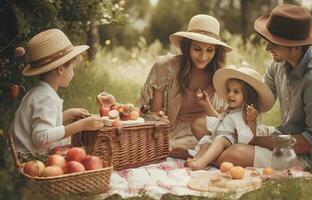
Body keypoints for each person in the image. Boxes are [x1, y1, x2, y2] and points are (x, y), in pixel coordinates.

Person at [211, 4, 312, 170]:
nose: (267, 48)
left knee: (234, 153)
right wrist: (231, 118)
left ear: (296, 45)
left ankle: (204, 157)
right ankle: (208, 154)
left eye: (274, 42)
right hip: (284, 134)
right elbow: (255, 101)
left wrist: (256, 140)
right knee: (212, 128)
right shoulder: (279, 65)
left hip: (309, 155)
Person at [97, 14, 233, 151]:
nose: (203, 57)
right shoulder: (165, 67)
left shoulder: (222, 76)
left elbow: (226, 120)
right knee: (134, 145)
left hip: (205, 132)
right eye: (197, 49)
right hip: (170, 131)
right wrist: (115, 106)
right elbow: (153, 113)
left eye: (210, 50)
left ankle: (194, 151)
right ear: (187, 47)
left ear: (217, 51)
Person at [11, 29, 104, 154]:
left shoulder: (40, 92)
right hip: (29, 159)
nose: (73, 74)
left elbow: (44, 122)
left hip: (26, 155)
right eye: (72, 69)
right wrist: (81, 125)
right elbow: (41, 137)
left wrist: (65, 115)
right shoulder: (46, 98)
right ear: (60, 69)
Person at [187, 67, 274, 170]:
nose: (230, 95)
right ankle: (196, 159)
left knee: (220, 140)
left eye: (236, 92)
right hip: (218, 137)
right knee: (206, 142)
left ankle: (202, 162)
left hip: (229, 141)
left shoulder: (244, 113)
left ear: (247, 95)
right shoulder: (230, 110)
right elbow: (220, 120)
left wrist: (252, 121)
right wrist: (207, 105)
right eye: (228, 90)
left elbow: (250, 137)